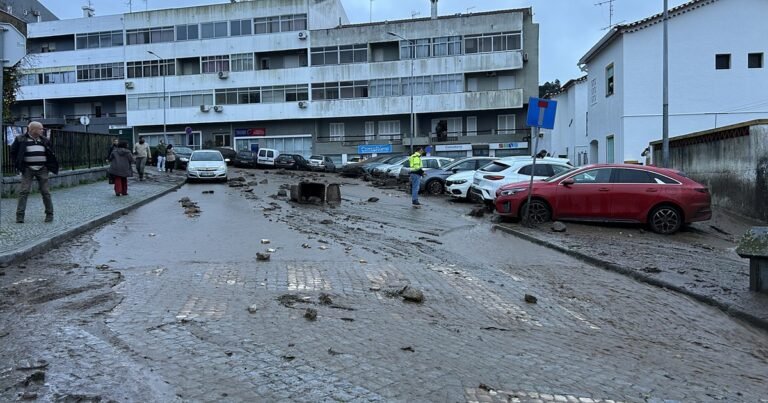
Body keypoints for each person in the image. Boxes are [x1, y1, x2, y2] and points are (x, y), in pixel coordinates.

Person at [10, 121, 59, 223]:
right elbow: (13, 152)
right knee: (24, 192)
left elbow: (51, 152)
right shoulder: (20, 139)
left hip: (42, 169)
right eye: (40, 129)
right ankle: (20, 216)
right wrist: (19, 165)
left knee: (45, 192)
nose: (42, 130)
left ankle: (49, 215)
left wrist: (48, 166)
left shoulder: (44, 140)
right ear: (33, 130)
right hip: (27, 169)